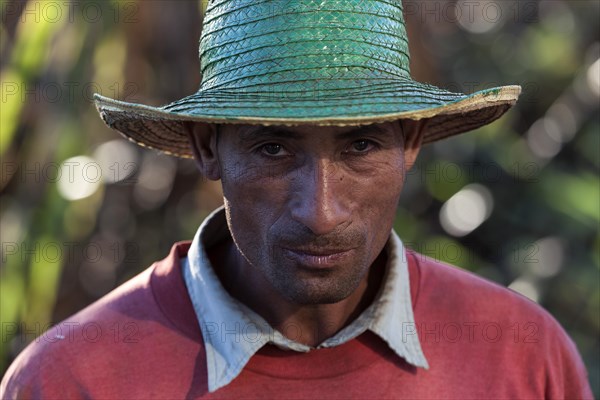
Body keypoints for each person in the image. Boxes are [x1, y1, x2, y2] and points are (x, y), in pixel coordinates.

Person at [1, 1, 592, 398]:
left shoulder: (522, 356)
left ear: (410, 141)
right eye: (273, 150)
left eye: (360, 145)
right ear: (208, 147)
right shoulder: (72, 379)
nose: (321, 211)